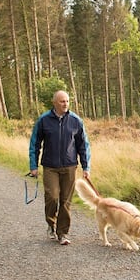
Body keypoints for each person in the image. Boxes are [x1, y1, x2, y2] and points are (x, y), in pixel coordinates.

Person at [29, 90, 91, 245]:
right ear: (55, 102)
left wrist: (86, 166)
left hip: (70, 166)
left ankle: (63, 233)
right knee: (52, 197)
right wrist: (33, 166)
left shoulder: (76, 121)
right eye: (62, 101)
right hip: (50, 166)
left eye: (68, 101)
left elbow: (83, 145)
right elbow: (35, 144)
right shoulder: (43, 120)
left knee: (65, 201)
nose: (66, 104)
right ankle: (51, 224)